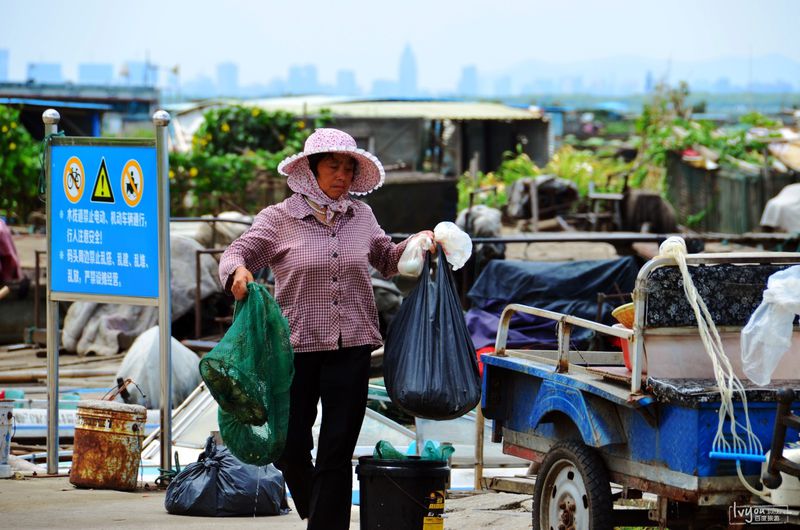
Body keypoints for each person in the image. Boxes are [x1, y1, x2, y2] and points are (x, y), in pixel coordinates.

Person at [218, 128, 432, 529]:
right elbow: (238, 251)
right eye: (333, 166)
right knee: (289, 442)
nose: (342, 175)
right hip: (294, 348)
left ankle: (326, 524)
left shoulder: (362, 216)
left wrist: (419, 243)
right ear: (309, 171)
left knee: (337, 447)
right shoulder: (278, 219)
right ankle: (317, 508)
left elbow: (387, 259)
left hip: (351, 345)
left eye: (349, 168)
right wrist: (237, 271)